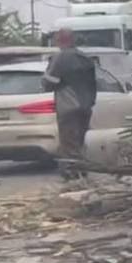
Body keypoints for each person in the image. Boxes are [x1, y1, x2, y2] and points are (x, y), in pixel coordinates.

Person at [43, 29, 97, 179]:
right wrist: (90, 102)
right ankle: (82, 170)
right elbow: (93, 84)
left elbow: (49, 82)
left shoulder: (60, 58)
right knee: (80, 140)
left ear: (61, 40)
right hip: (86, 106)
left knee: (68, 143)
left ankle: (72, 174)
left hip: (68, 106)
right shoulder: (85, 58)